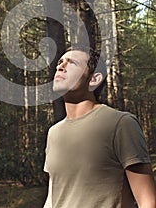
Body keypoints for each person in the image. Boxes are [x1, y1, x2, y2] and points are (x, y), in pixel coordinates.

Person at [43, 45, 156, 208]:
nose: (60, 66)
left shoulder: (121, 124)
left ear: (94, 79)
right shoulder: (54, 133)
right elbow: (53, 199)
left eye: (72, 63)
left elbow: (148, 201)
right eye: (60, 62)